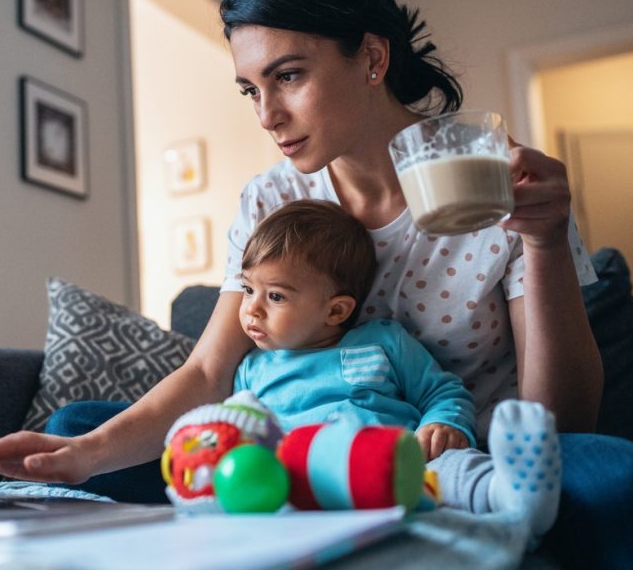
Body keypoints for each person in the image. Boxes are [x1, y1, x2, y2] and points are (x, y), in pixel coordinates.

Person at [0, 0, 633, 570]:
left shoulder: (496, 175)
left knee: (616, 472)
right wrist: (76, 454)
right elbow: (209, 375)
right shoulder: (274, 197)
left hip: (464, 463)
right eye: (251, 88)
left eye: (289, 76)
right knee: (81, 423)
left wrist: (547, 242)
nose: (266, 114)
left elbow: (560, 420)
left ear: (371, 58)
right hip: (296, 451)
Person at [230, 199, 559, 539]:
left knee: (451, 470)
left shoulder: (382, 341)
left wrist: (443, 422)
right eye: (248, 289)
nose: (252, 309)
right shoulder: (252, 371)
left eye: (276, 297)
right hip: (312, 481)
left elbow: (442, 391)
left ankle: (511, 496)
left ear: (336, 311)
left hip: (403, 465)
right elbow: (241, 430)